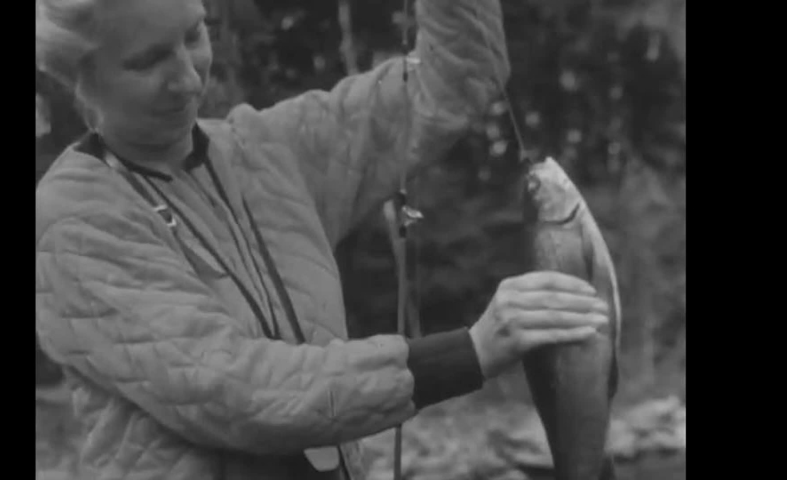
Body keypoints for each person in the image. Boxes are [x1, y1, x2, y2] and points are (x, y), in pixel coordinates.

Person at [35, 0, 610, 479]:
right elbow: (233, 390)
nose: (187, 76)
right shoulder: (74, 220)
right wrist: (470, 352)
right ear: (79, 80)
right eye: (148, 60)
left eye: (194, 34)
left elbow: (461, 78)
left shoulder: (267, 149)